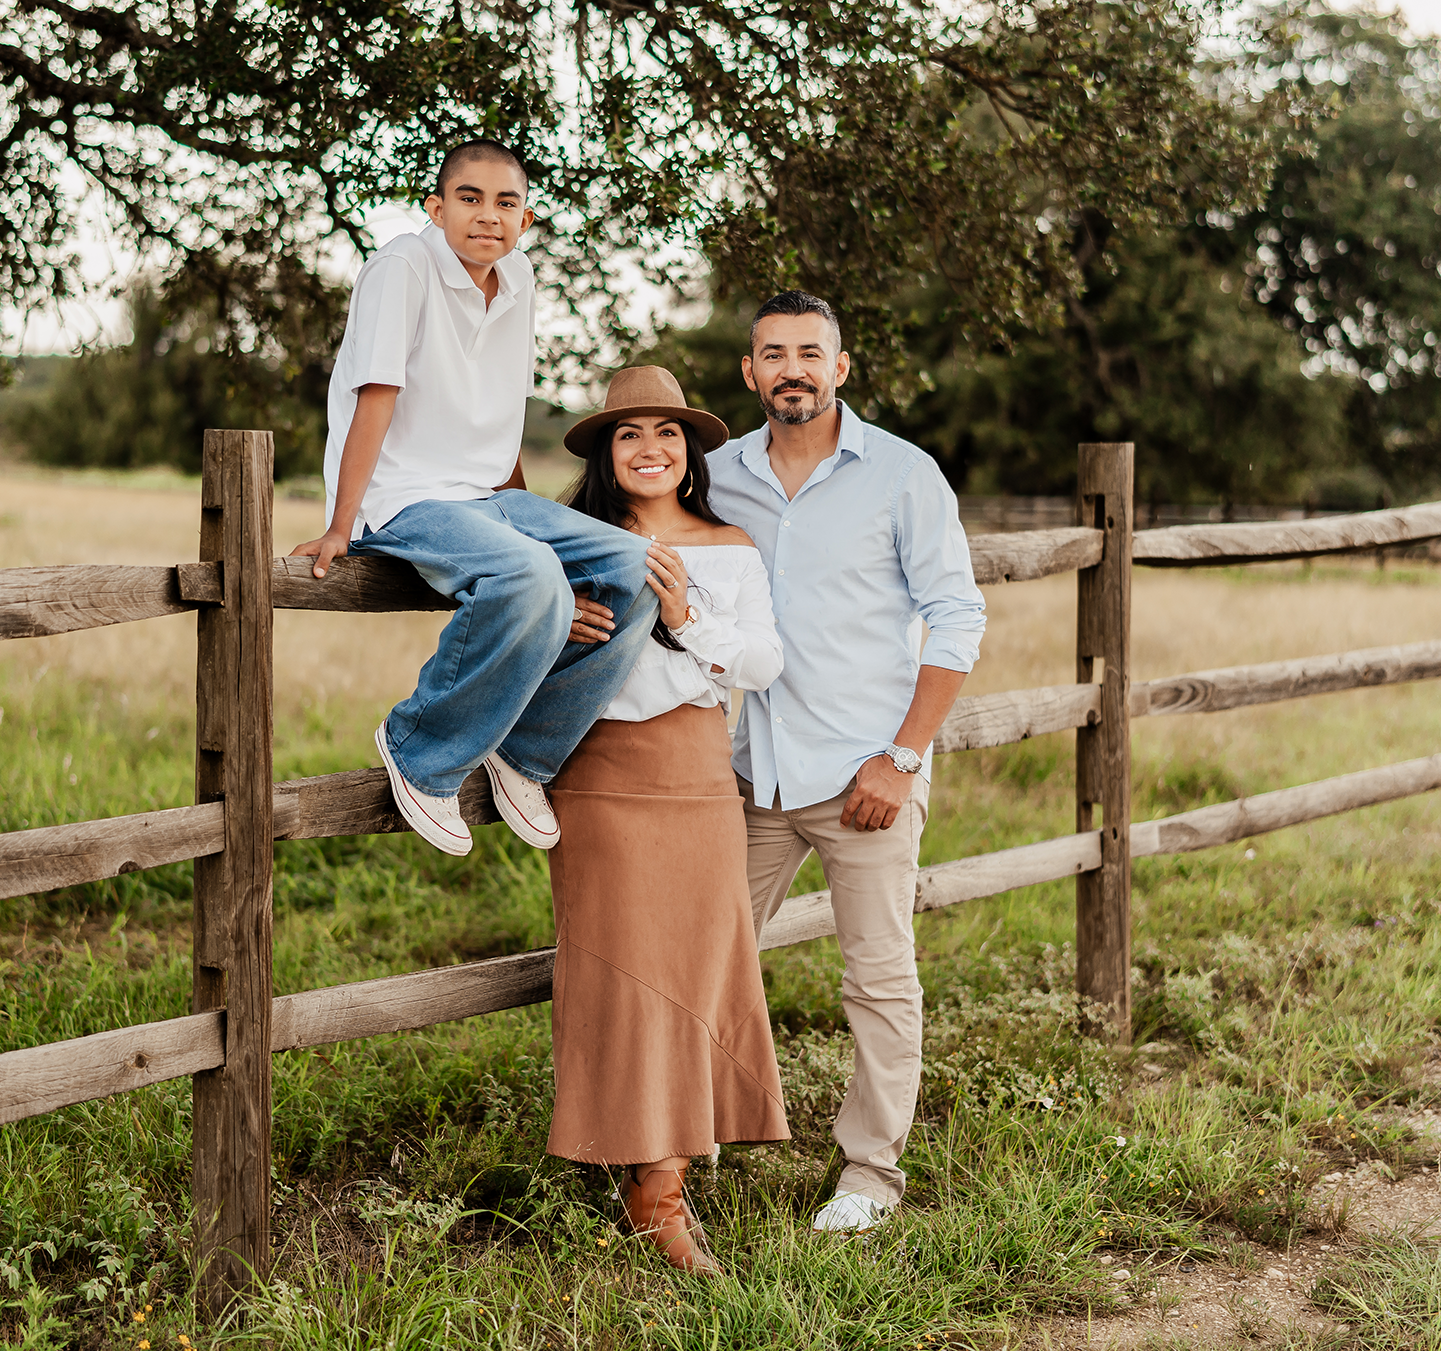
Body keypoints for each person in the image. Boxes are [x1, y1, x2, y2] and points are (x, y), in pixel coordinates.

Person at [288, 140, 658, 857]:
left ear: (525, 217)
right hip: (403, 496)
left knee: (639, 565)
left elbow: (500, 410)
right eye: (470, 198)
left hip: (488, 497)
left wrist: (531, 523)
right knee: (528, 578)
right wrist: (342, 523)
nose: (489, 216)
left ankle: (522, 750)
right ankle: (421, 749)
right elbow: (377, 396)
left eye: (506, 202)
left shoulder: (517, 277)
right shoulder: (402, 267)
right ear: (437, 207)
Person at [707, 291, 987, 1233]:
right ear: (750, 372)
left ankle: (870, 1171)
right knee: (703, 955)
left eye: (810, 352)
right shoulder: (715, 478)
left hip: (868, 774)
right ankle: (683, 1139)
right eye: (773, 352)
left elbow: (957, 618)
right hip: (752, 774)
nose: (793, 367)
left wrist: (903, 758)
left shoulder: (904, 475)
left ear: (841, 366)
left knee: (877, 974)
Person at [545, 366, 791, 1275]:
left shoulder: (730, 544)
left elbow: (761, 663)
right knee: (623, 967)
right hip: (601, 775)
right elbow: (498, 621)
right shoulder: (574, 543)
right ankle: (644, 1174)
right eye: (628, 434)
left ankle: (664, 1186)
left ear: (690, 452)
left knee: (695, 968)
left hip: (696, 772)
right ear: (608, 456)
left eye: (668, 434)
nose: (650, 449)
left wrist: (686, 614)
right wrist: (552, 614)